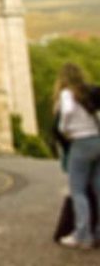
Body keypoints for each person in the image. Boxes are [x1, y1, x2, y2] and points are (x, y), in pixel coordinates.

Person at [53, 62, 100, 250]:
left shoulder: (67, 93)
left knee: (78, 190)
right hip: (97, 139)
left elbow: (68, 111)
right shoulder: (89, 92)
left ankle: (82, 235)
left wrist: (65, 128)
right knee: (98, 188)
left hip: (81, 142)